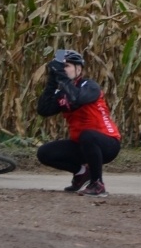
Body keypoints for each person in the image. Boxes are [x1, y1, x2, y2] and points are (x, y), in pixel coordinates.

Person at [37, 50, 121, 197]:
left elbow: (77, 99)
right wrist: (52, 80)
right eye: (60, 67)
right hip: (83, 145)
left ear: (79, 69)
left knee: (87, 135)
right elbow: (43, 110)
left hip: (107, 143)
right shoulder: (62, 93)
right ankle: (81, 173)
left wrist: (62, 77)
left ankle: (97, 184)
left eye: (66, 66)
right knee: (44, 153)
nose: (63, 70)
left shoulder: (90, 86)